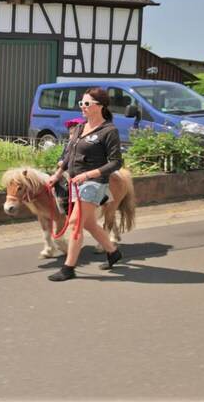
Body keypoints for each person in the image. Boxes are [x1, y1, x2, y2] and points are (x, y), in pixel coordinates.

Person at [46, 88, 124, 282]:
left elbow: (116, 162)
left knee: (74, 223)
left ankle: (69, 268)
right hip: (75, 182)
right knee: (88, 223)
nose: (82, 107)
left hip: (94, 183)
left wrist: (89, 174)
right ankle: (113, 252)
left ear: (100, 106)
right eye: (81, 104)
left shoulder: (109, 131)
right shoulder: (81, 127)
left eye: (86, 104)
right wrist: (57, 175)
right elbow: (69, 155)